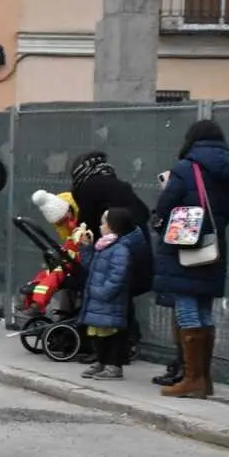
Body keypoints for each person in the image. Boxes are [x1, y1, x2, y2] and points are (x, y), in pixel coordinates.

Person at [152, 119, 229, 399]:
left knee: (186, 306)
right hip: (213, 245)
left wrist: (160, 214)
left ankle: (191, 379)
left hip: (185, 244)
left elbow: (167, 204)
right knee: (204, 310)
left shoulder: (185, 168)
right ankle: (203, 378)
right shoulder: (226, 172)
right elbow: (228, 210)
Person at [70, 151, 153, 361]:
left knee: (107, 301)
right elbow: (143, 211)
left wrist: (90, 245)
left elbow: (85, 224)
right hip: (136, 243)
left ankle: (108, 353)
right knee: (122, 298)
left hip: (113, 250)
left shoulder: (88, 188)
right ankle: (125, 344)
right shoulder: (117, 185)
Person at [78, 207, 145, 381]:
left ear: (113, 226)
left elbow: (118, 276)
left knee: (112, 335)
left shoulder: (120, 248)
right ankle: (101, 361)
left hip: (109, 299)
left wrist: (102, 292)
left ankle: (114, 365)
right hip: (99, 298)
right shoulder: (104, 245)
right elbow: (92, 266)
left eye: (103, 223)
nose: (100, 226)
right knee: (98, 333)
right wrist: (86, 248)